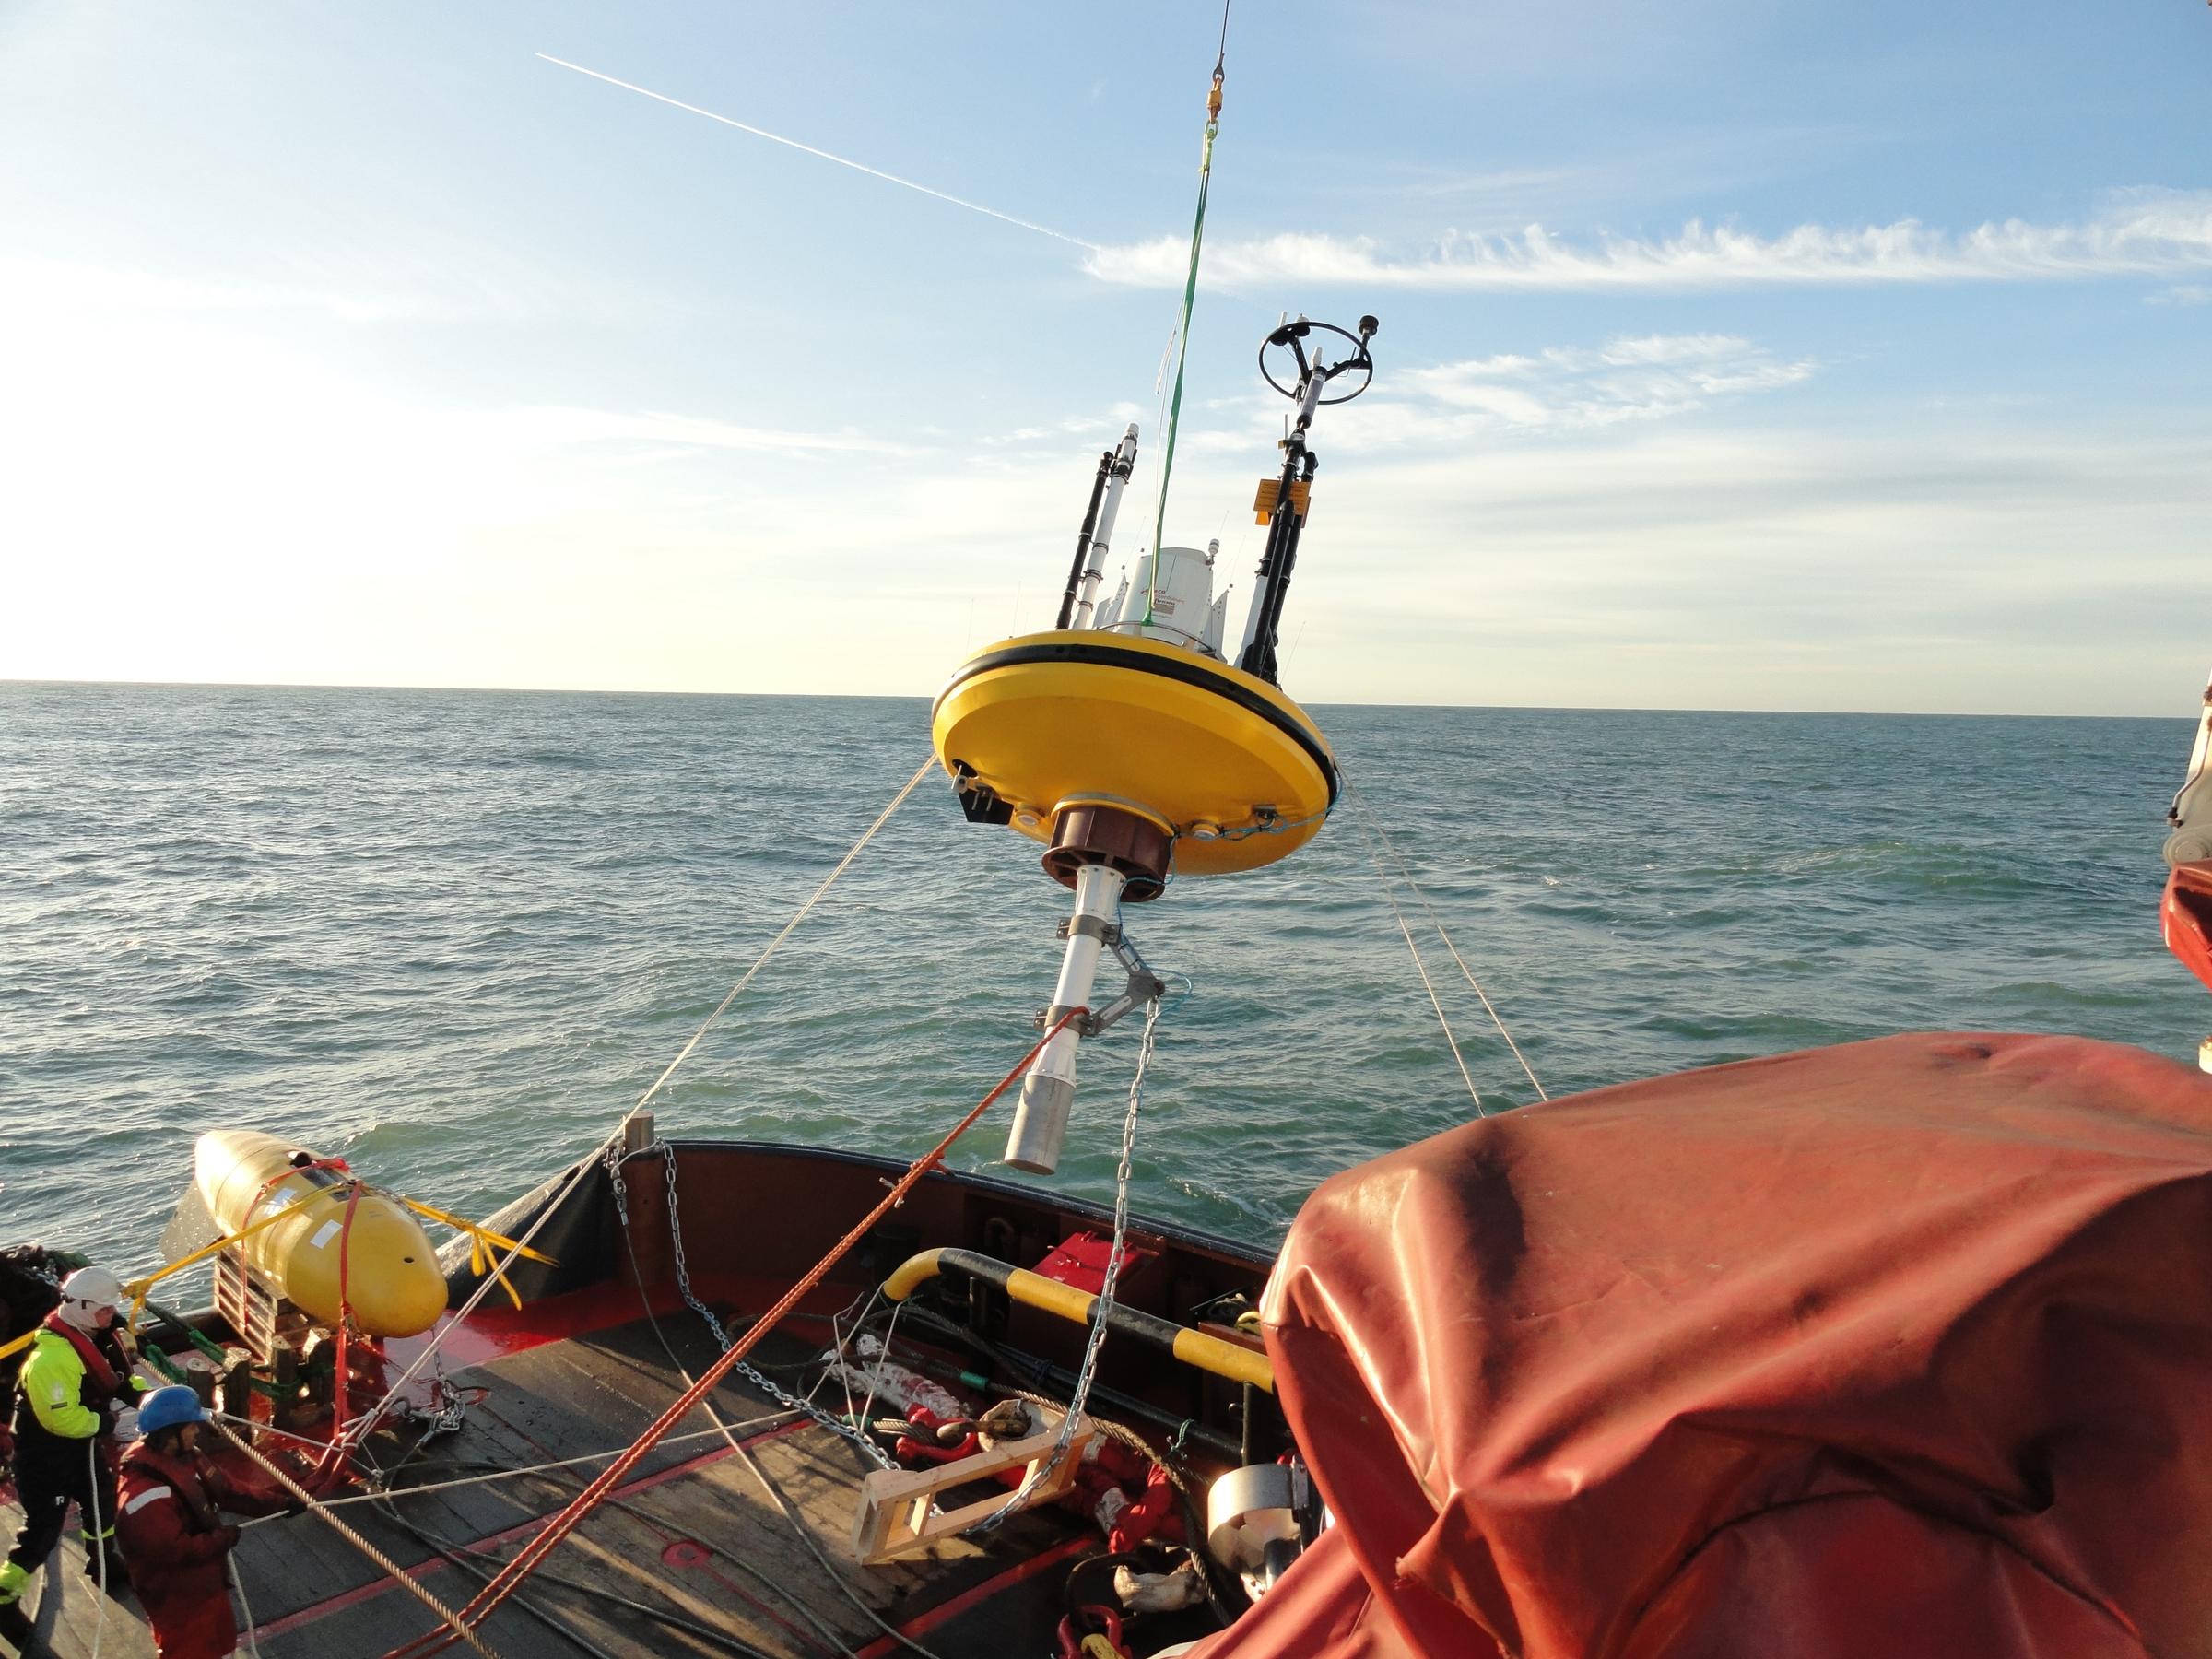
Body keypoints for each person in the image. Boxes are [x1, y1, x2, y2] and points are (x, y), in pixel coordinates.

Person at [0, 1265, 147, 1649]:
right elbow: (61, 1417)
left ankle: (103, 1559)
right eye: (102, 1309)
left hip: (79, 1445)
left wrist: (141, 1396)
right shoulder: (52, 1359)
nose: (110, 1316)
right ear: (81, 1307)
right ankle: (3, 1599)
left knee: (99, 1499)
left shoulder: (98, 1336)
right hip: (44, 1456)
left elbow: (119, 1376)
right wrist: (105, 1421)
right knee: (42, 1530)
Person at [115, 1386, 295, 1659]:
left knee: (221, 1644)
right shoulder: (143, 1499)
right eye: (191, 1426)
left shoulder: (186, 1458)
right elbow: (174, 1552)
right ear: (171, 1434)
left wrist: (282, 1504)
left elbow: (227, 1490)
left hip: (207, 1584)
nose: (197, 1431)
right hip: (177, 1597)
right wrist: (222, 1539)